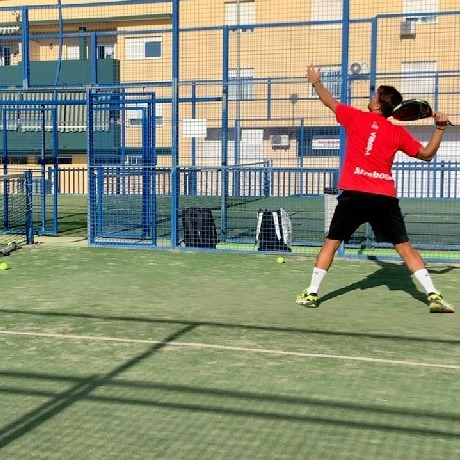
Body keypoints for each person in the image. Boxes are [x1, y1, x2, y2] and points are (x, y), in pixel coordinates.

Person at [296, 64, 454, 313]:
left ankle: (311, 294)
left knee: (331, 243)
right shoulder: (397, 132)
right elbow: (426, 154)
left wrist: (315, 81)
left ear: (378, 105)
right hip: (383, 198)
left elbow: (329, 101)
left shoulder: (355, 117)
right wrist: (441, 128)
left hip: (354, 195)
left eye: (374, 95)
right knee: (405, 248)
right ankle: (434, 296)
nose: (370, 98)